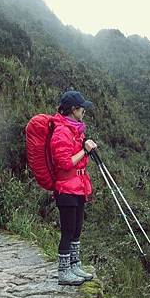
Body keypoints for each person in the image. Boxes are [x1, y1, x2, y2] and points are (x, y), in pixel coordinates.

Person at [50, 90, 97, 285]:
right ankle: (63, 272)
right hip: (66, 188)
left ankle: (75, 265)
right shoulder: (61, 131)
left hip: (78, 186)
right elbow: (65, 163)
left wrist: (85, 148)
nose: (84, 111)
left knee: (77, 229)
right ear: (73, 110)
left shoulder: (75, 130)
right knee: (68, 231)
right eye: (81, 108)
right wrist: (84, 150)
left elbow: (77, 160)